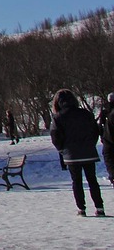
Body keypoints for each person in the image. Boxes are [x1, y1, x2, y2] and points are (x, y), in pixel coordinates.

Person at [51, 88, 106, 216]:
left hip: (71, 155)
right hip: (88, 153)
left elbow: (55, 136)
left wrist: (62, 150)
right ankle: (99, 207)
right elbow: (95, 131)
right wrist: (90, 145)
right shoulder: (86, 114)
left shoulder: (58, 117)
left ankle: (81, 208)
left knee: (77, 182)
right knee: (92, 180)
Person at [99, 93, 114, 188]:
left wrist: (102, 136)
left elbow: (100, 124)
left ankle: (112, 175)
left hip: (108, 138)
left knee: (109, 158)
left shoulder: (105, 110)